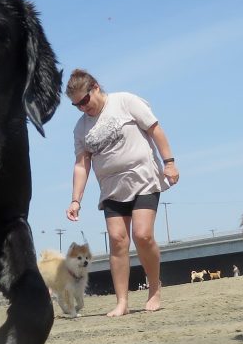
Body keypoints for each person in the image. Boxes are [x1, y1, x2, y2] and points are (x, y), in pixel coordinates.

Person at [64, 69, 179, 316]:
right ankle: (122, 302)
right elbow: (81, 164)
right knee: (117, 240)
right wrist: (76, 200)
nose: (83, 108)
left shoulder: (125, 101)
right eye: (77, 106)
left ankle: (154, 289)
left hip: (143, 178)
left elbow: (155, 130)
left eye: (84, 101)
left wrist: (169, 162)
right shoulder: (81, 128)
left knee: (143, 234)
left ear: (95, 87)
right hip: (111, 189)